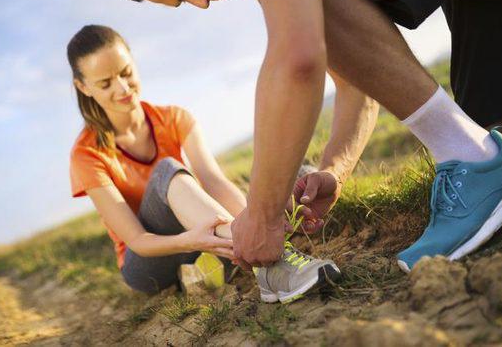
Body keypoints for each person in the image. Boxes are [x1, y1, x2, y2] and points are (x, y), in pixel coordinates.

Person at [106, 0, 502, 272]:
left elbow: (299, 59)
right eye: (185, 2)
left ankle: (473, 160)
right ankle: (481, 152)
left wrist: (263, 217)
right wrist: (334, 170)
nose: (201, 4)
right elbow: (357, 79)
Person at [68, 24, 340, 301]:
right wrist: (190, 241)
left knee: (301, 177)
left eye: (126, 72)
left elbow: (213, 181)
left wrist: (255, 222)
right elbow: (137, 240)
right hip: (148, 260)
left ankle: (251, 244)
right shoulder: (86, 155)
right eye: (105, 83)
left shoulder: (175, 118)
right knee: (167, 169)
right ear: (83, 87)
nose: (123, 87)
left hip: (200, 235)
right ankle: (274, 265)